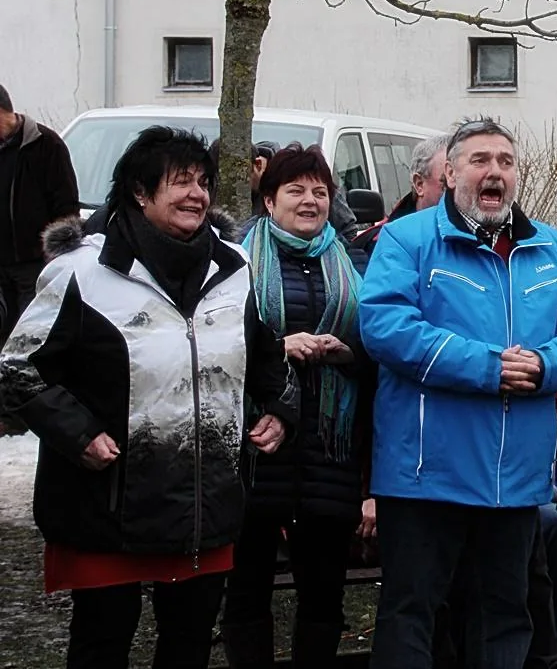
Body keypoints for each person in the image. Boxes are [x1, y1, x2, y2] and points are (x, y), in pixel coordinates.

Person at [0, 126, 296, 669]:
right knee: (103, 640)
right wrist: (79, 433)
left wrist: (279, 410)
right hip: (108, 501)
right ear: (139, 191)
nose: (197, 195)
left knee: (188, 641)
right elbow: (18, 368)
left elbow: (268, 357)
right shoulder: (80, 273)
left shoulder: (234, 269)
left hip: (203, 500)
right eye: (180, 182)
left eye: (203, 182)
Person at [358, 117, 557, 669]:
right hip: (426, 476)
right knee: (413, 618)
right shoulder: (408, 239)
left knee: (505, 617)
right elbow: (384, 325)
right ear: (449, 172)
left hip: (515, 480)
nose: (494, 171)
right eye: (479, 160)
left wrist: (545, 364)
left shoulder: (553, 248)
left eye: (505, 161)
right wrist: (488, 367)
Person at [221, 144, 372, 669]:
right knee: (247, 586)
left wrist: (347, 351)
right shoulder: (235, 260)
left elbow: (378, 346)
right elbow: (215, 345)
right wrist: (277, 348)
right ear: (268, 200)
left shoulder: (355, 260)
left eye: (320, 191)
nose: (310, 201)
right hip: (258, 443)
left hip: (330, 445)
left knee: (323, 592)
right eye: (296, 191)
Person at [0, 84, 80, 337]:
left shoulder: (46, 145)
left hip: (34, 266)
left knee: (30, 337)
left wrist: (58, 258)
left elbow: (67, 206)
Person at [352, 134, 449, 253]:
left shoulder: (476, 237)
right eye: (446, 183)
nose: (457, 194)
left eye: (463, 184)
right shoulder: (378, 244)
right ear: (419, 184)